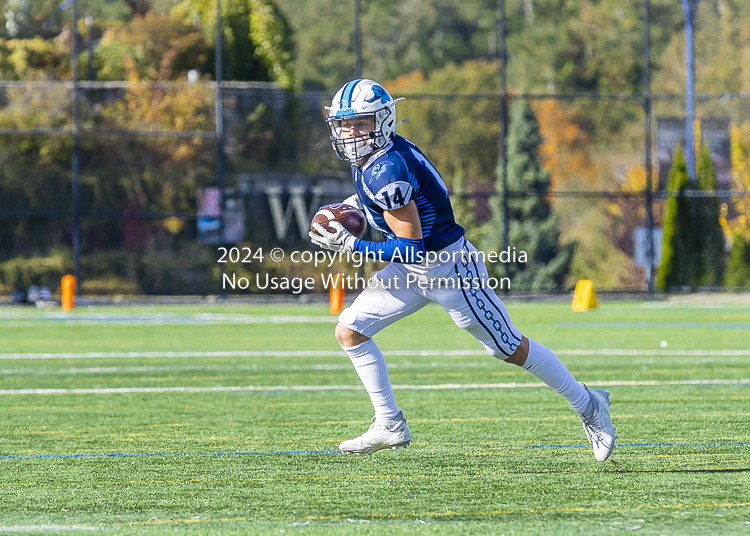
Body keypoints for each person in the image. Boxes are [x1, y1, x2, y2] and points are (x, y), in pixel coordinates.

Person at [308, 79, 616, 461]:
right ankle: (389, 424)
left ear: (382, 122)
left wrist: (352, 244)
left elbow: (411, 248)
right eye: (345, 124)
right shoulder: (375, 158)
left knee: (508, 347)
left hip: (448, 268)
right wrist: (350, 206)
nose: (350, 133)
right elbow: (383, 207)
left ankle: (589, 405)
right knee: (350, 331)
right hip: (412, 270)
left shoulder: (386, 168)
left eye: (360, 123)